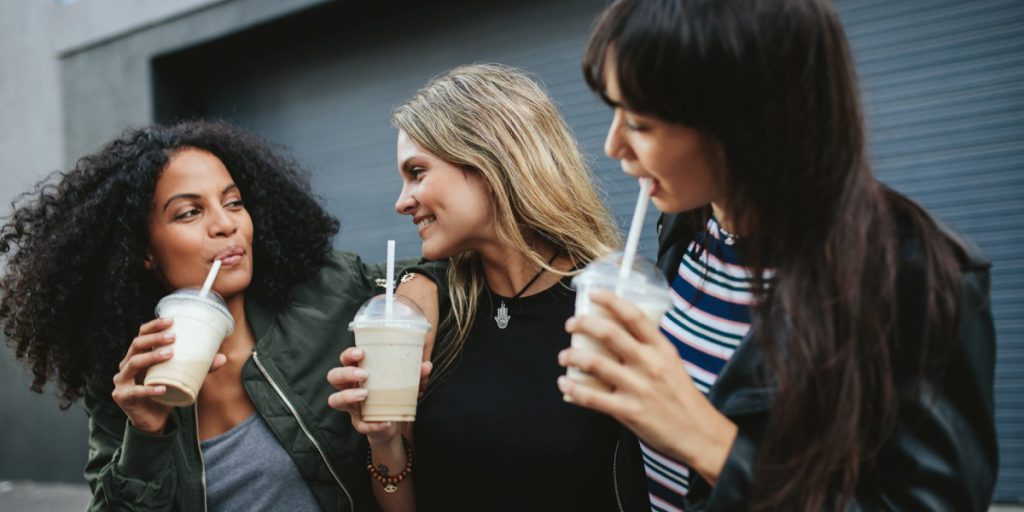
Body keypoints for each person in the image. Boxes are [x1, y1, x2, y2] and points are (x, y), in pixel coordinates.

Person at [556, 0, 999, 511]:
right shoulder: (689, 222)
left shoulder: (915, 277)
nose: (613, 146)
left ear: (739, 117)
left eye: (638, 121)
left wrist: (709, 443)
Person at [0, 120, 391, 511]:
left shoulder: (325, 293)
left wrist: (415, 284)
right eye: (189, 213)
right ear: (144, 251)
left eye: (234, 202)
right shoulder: (127, 384)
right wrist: (145, 435)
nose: (226, 224)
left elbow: (431, 272)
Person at [327, 64, 638, 511]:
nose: (401, 202)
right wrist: (386, 440)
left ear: (489, 161)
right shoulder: (430, 306)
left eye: (417, 172)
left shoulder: (610, 303)